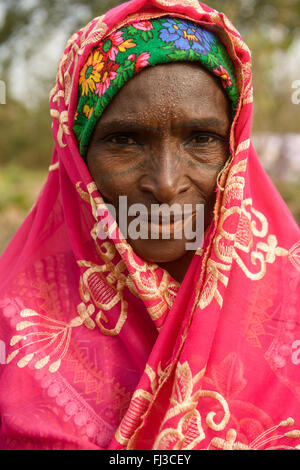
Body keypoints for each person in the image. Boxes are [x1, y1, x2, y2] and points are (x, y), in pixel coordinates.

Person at [0, 0, 299, 451]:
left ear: (235, 149)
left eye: (202, 139)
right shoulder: (14, 325)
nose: (165, 184)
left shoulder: (291, 307)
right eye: (124, 140)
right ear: (77, 158)